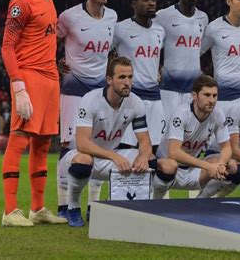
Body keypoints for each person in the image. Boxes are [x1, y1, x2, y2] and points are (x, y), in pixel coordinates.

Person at [62, 57, 177, 226]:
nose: (127, 82)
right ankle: (73, 207)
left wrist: (144, 156)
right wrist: (113, 156)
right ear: (109, 80)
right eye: (122, 77)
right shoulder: (90, 99)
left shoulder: (136, 102)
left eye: (130, 77)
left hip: (111, 156)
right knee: (84, 161)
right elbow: (82, 144)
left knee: (152, 161)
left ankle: (139, 205)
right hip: (78, 156)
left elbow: (144, 141)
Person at [0, 0, 66, 226]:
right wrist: (17, 84)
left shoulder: (50, 0)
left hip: (51, 79)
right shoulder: (22, 2)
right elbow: (7, 47)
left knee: (42, 143)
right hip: (29, 78)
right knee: (19, 138)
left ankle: (37, 209)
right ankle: (10, 211)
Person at [56, 0, 118, 219]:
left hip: (100, 92)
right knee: (69, 147)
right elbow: (50, 40)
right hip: (74, 90)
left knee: (99, 145)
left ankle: (93, 207)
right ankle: (63, 206)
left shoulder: (112, 16)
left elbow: (110, 51)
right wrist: (55, 62)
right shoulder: (69, 17)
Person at [200, 0, 240, 196]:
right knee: (218, 152)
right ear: (229, 1)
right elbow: (197, 52)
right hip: (222, 99)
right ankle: (200, 198)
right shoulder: (215, 27)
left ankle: (217, 198)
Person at [156, 75, 240, 198]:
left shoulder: (218, 114)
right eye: (207, 95)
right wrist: (208, 166)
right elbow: (174, 153)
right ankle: (155, 201)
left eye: (214, 96)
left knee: (231, 166)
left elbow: (227, 147)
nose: (212, 100)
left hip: (193, 169)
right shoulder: (181, 114)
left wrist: (220, 164)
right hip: (170, 169)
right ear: (194, 96)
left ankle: (202, 200)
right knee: (170, 165)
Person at [114, 0, 166, 152]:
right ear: (134, 4)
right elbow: (105, 54)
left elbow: (156, 56)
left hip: (155, 96)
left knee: (157, 147)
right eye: (145, 0)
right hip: (131, 96)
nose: (151, 3)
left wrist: (158, 70)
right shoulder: (120, 29)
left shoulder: (160, 31)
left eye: (153, 0)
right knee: (127, 146)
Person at [155, 0, 209, 121]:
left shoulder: (203, 18)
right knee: (167, 131)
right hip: (168, 87)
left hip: (193, 87)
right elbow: (151, 44)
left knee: (189, 131)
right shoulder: (163, 16)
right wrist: (156, 66)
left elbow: (200, 48)